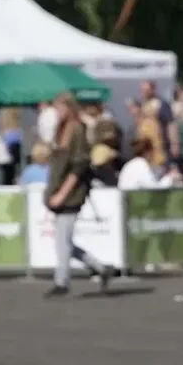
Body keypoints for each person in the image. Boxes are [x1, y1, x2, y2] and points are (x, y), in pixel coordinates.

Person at [43, 91, 120, 297]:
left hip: (72, 192)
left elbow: (79, 166)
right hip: (59, 189)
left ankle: (62, 282)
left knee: (63, 240)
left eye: (59, 108)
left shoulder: (78, 130)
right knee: (63, 241)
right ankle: (102, 269)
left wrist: (62, 193)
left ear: (69, 108)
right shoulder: (60, 131)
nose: (57, 112)